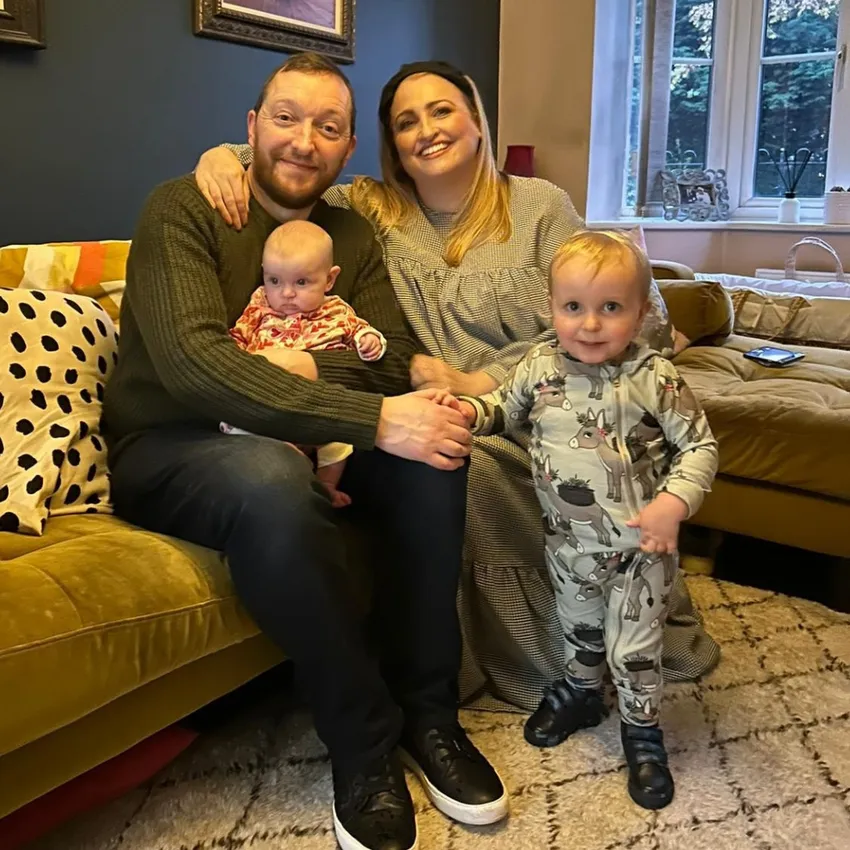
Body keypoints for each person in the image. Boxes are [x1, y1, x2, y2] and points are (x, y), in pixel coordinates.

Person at [194, 60, 720, 715]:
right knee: (440, 457)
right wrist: (225, 156)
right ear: (390, 144)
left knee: (492, 463)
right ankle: (470, 661)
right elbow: (301, 157)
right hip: (440, 414)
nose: (426, 131)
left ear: (476, 121)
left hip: (553, 406)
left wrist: (486, 379)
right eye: (405, 122)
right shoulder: (371, 208)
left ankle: (587, 642)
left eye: (441, 110)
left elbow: (623, 314)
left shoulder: (538, 206)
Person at [103, 53, 508, 850]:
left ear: (349, 148)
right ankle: (363, 742)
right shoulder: (182, 208)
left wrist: (320, 373)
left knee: (436, 442)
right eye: (285, 118)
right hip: (175, 443)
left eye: (328, 127)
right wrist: (371, 417)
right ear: (252, 127)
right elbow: (193, 367)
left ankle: (429, 716)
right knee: (270, 475)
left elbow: (392, 357)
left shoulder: (348, 232)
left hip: (308, 431)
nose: (303, 141)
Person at [456, 230, 718, 809]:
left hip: (641, 552)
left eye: (611, 308)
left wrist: (673, 503)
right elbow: (501, 409)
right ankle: (581, 693)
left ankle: (642, 729)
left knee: (633, 650)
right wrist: (466, 411)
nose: (590, 324)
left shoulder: (656, 378)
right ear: (552, 307)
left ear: (641, 313)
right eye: (573, 307)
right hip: (568, 546)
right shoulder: (539, 365)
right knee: (579, 629)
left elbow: (700, 448)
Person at [222, 219, 387, 508]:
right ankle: (284, 453)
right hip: (267, 404)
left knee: (341, 439)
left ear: (329, 280)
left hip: (319, 407)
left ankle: (326, 485)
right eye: (275, 281)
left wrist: (370, 341)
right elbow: (237, 337)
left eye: (301, 282)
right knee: (236, 423)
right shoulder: (260, 306)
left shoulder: (336, 311)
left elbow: (360, 330)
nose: (286, 294)